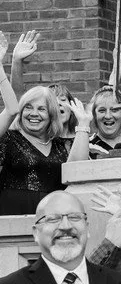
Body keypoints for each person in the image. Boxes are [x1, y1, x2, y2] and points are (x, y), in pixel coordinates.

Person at [0, 78, 89, 214]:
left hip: (51, 220)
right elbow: (11, 110)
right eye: (28, 108)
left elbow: (76, 172)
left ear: (52, 115)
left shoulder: (61, 145)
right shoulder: (9, 138)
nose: (34, 113)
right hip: (11, 217)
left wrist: (83, 123)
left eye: (42, 109)